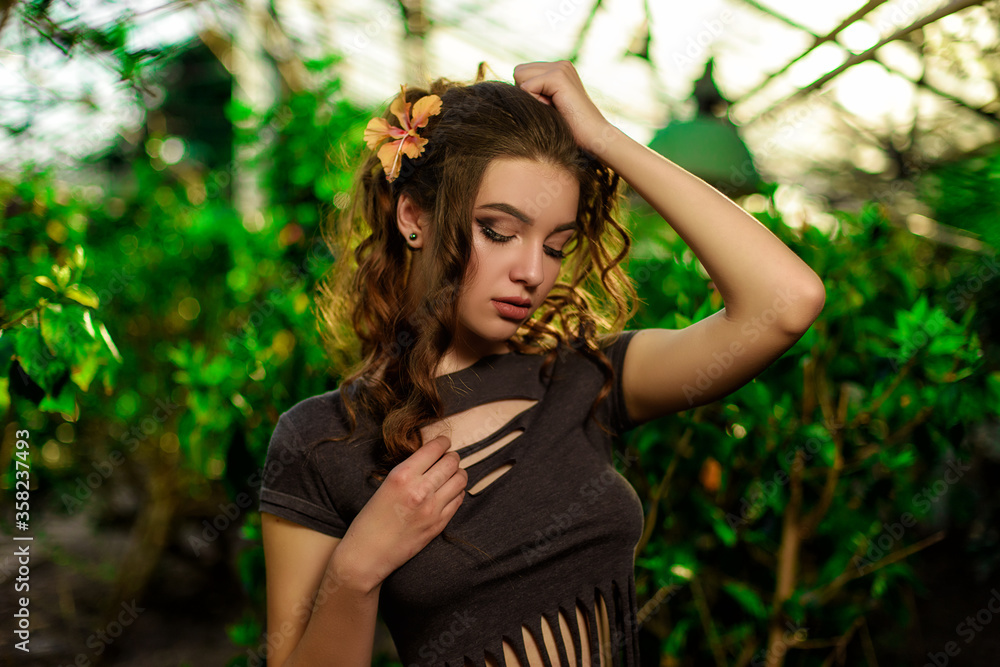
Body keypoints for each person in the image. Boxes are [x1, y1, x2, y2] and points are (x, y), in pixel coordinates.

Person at [258, 60, 825, 667]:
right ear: (413, 217)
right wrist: (356, 571)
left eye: (556, 245)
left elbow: (786, 303)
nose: (533, 272)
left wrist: (604, 139)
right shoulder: (320, 442)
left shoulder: (585, 378)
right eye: (499, 232)